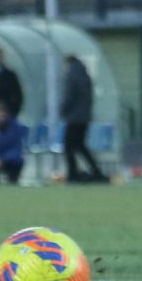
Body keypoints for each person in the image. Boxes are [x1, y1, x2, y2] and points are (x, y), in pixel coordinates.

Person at [61, 55, 109, 184]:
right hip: (84, 118)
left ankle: (73, 174)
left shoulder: (72, 77)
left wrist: (63, 110)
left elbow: (69, 97)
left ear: (68, 63)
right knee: (81, 146)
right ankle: (96, 172)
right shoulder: (86, 77)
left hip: (73, 118)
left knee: (69, 147)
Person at [0, 46, 24, 120]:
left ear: (2, 57)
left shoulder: (10, 74)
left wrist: (14, 110)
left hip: (7, 112)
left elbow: (18, 94)